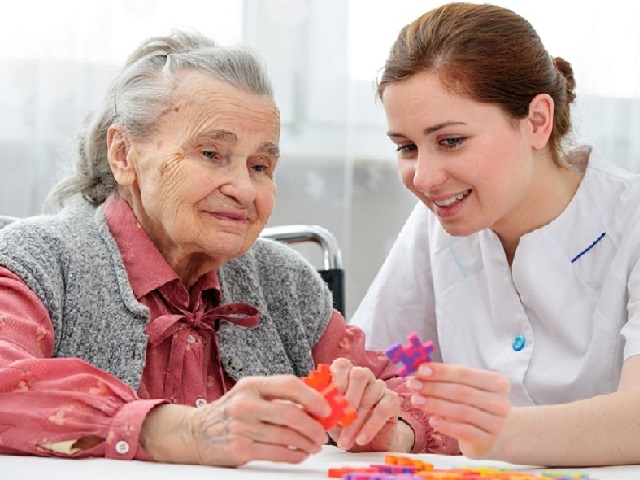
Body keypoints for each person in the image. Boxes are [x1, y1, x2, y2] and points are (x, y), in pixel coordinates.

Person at [0, 31, 457, 466]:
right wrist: (185, 431)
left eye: (261, 165)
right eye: (210, 154)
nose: (243, 188)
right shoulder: (37, 260)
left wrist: (392, 426)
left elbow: (424, 400)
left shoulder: (286, 284)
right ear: (124, 154)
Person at [351, 2, 640, 467]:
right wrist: (375, 420)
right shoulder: (436, 226)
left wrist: (486, 433)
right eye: (406, 147)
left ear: (536, 121)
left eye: (451, 140)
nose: (424, 178)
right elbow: (373, 371)